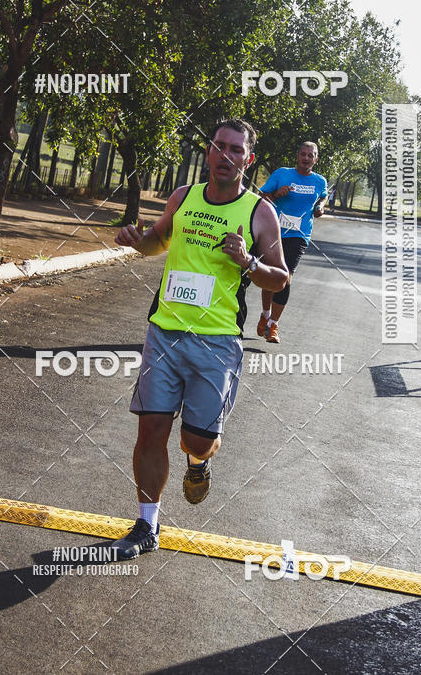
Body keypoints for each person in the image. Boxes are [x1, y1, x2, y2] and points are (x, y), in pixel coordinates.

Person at [111, 119, 288, 560]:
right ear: (209, 152)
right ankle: (146, 525)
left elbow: (280, 276)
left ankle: (199, 461)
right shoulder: (183, 197)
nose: (225, 155)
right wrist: (138, 241)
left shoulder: (257, 212)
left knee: (196, 439)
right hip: (165, 333)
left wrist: (248, 262)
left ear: (247, 159)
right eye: (218, 146)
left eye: (235, 149)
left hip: (217, 343)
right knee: (151, 428)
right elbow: (157, 242)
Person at [256, 142, 327, 343]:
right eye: (303, 154)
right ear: (298, 156)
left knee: (285, 276)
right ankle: (265, 314)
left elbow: (323, 196)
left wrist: (320, 206)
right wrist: (277, 195)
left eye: (310, 155)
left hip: (299, 234)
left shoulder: (319, 181)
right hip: (274, 231)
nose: (306, 158)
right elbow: (261, 197)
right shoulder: (281, 174)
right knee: (271, 274)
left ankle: (273, 325)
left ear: (316, 159)